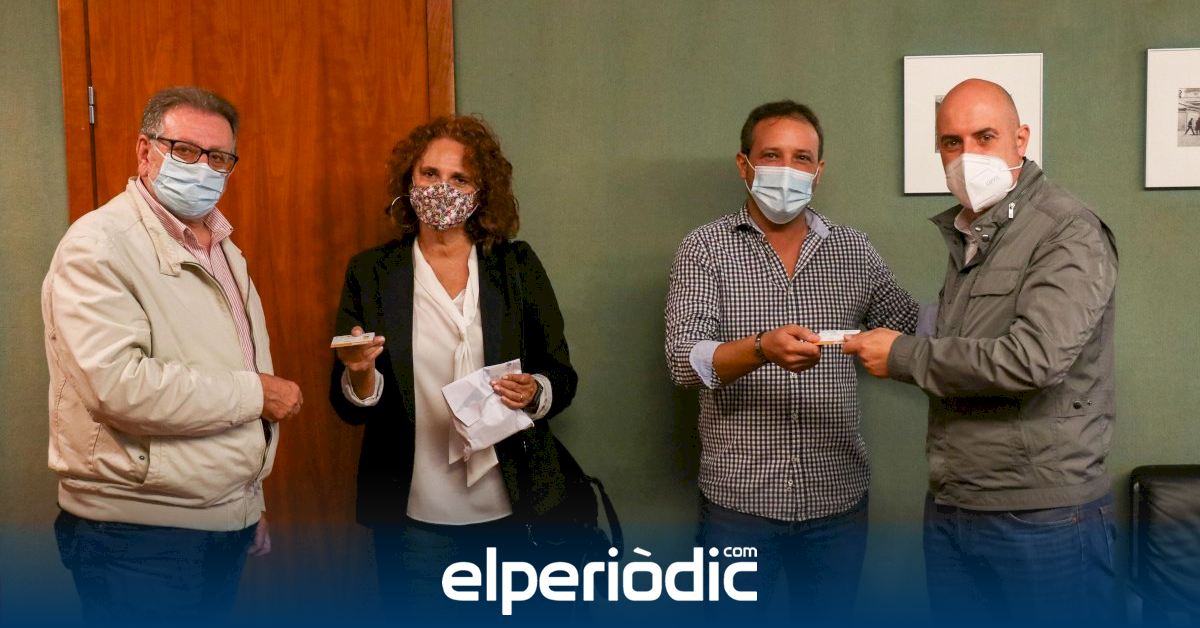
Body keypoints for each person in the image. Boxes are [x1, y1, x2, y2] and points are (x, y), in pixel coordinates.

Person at [843, 78, 1119, 622]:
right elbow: (964, 340)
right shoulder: (974, 233)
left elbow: (1034, 359)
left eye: (984, 137)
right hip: (956, 503)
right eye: (952, 142)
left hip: (1041, 516)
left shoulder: (1068, 230)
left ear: (1021, 139)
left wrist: (902, 356)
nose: (967, 156)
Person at [42, 86, 303, 623]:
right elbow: (118, 388)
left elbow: (228, 362)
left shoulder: (222, 248)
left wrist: (245, 502)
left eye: (219, 157)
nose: (203, 168)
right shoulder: (99, 244)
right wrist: (257, 394)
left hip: (218, 521)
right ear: (145, 151)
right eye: (185, 150)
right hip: (137, 535)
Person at [664, 100, 919, 621]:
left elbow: (911, 328)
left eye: (802, 158)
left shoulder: (854, 250)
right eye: (772, 155)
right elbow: (683, 362)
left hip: (837, 498)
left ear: (818, 171)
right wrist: (761, 348)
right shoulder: (704, 249)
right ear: (744, 165)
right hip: (739, 503)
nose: (787, 169)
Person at [329, 115, 578, 622]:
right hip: (411, 514)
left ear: (482, 193)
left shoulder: (516, 266)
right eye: (430, 174)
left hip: (514, 509)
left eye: (460, 178)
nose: (441, 188)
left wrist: (534, 391)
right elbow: (349, 406)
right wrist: (360, 374)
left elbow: (561, 375)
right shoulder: (372, 273)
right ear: (409, 181)